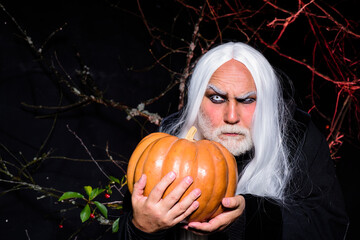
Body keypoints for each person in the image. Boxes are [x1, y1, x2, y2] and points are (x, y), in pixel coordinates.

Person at [118, 42, 349, 239]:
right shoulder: (167, 141)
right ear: (198, 100)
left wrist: (249, 218)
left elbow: (329, 227)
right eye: (217, 98)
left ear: (266, 103)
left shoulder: (297, 138)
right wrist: (141, 229)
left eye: (247, 100)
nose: (231, 117)